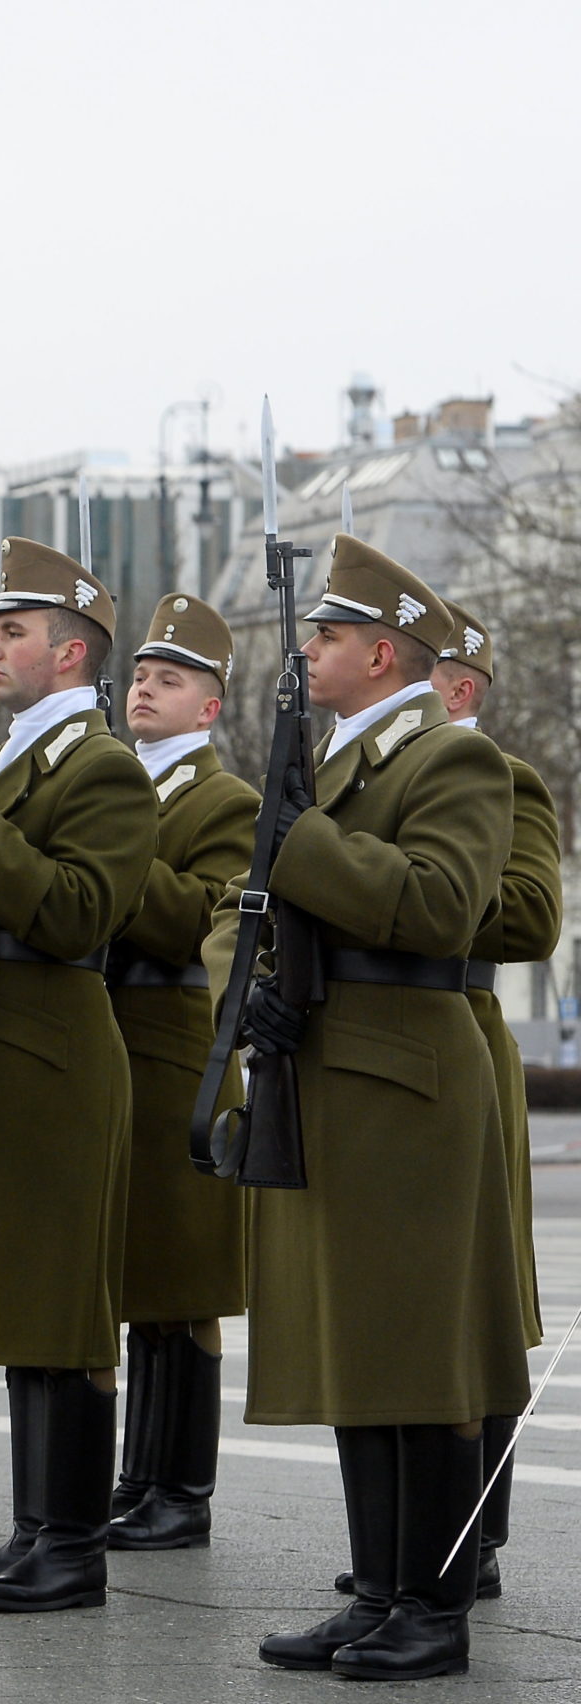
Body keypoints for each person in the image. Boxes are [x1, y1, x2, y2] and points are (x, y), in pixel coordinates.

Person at [234, 542, 524, 1680]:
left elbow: (442, 906)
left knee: (425, 1355)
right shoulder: (340, 763)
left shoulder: (451, 760)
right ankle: (377, 1593)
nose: (307, 651)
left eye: (326, 636)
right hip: (336, 1070)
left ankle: (434, 1609)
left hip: (410, 1079)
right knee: (362, 1349)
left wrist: (301, 842)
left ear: (384, 652)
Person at [0, 539, 154, 1613]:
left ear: (69, 655)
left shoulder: (100, 766)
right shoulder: (6, 761)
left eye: (11, 632)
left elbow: (72, 912)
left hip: (53, 1053)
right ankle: (29, 1531)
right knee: (12, 1298)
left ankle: (72, 1547)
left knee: (61, 1308)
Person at [104, 595, 258, 1552]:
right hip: (116, 1043)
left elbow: (204, 920)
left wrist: (114, 857)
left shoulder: (224, 800)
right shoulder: (116, 784)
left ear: (210, 709)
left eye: (169, 681)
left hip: (177, 1045)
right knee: (132, 1278)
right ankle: (137, 1476)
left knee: (181, 1285)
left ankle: (182, 1489)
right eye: (140, 676)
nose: (144, 692)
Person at [425, 598, 560, 1600]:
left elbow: (530, 917)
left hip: (462, 1024)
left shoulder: (504, 778)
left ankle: (477, 1533)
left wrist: (420, 886)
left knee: (481, 1298)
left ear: (459, 688)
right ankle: (421, 1537)